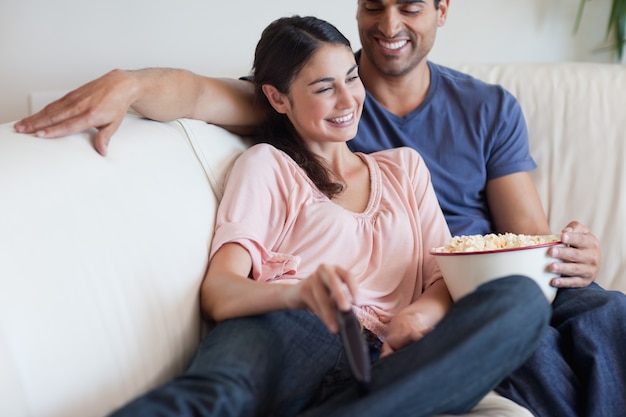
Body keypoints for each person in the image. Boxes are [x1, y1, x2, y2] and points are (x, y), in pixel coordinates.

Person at [13, 1, 626, 416]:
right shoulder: (278, 142)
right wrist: (129, 83)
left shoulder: (443, 138)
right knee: (216, 390)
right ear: (278, 98)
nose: (388, 23)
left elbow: (521, 241)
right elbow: (199, 96)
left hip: (450, 300)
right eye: (373, 5)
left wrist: (564, 256)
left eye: (409, 4)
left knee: (574, 306)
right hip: (310, 323)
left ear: (443, 9)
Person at [104, 15, 549, 417]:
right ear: (278, 99)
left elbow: (441, 279)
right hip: (293, 330)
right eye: (323, 89)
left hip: (391, 363)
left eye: (352, 79)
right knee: (212, 396)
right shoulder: (268, 165)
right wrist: (297, 295)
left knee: (521, 299)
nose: (347, 100)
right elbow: (219, 291)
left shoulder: (405, 168)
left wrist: (417, 318)